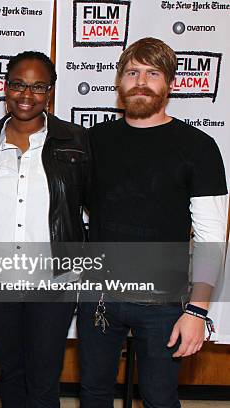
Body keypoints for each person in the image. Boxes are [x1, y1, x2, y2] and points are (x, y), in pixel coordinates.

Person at [79, 37, 228, 408]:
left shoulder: (198, 146)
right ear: (119, 82)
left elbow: (212, 237)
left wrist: (197, 311)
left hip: (165, 302)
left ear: (170, 84)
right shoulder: (92, 141)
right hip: (100, 296)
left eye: (152, 73)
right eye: (132, 72)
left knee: (160, 397)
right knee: (94, 393)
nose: (140, 81)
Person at [0, 51, 90, 408]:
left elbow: (95, 204)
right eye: (18, 84)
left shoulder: (76, 142)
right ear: (5, 88)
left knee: (44, 377)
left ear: (50, 92)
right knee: (11, 373)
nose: (26, 94)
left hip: (55, 279)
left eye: (38, 86)